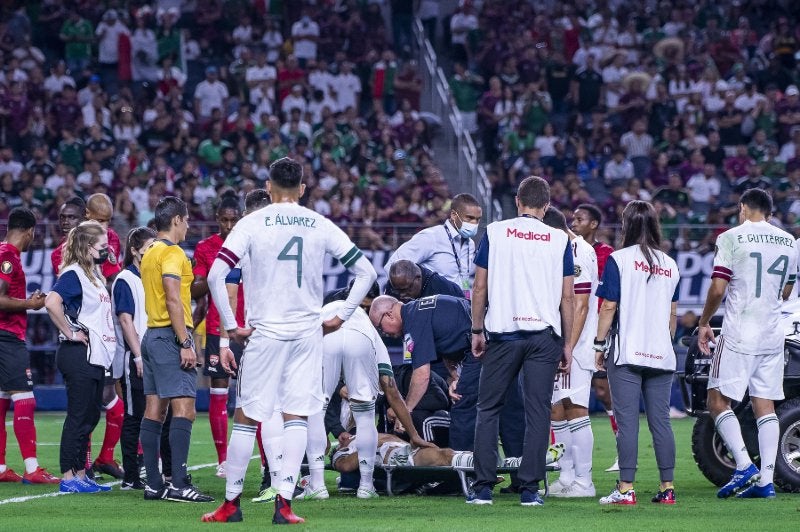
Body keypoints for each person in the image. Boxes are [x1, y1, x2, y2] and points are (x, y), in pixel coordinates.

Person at [202, 157, 377, 524]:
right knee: (296, 415)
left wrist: (231, 326)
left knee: (247, 417)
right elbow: (366, 272)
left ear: (268, 187)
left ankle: (231, 504)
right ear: (302, 188)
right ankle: (284, 504)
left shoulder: (252, 223)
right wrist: (341, 316)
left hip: (265, 332)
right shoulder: (319, 223)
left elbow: (217, 275)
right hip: (306, 335)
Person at [468, 175, 574, 507]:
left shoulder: (495, 232)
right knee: (538, 412)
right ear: (547, 206)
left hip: (503, 334)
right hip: (544, 337)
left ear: (517, 201)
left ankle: (483, 488)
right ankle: (530, 490)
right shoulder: (559, 239)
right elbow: (567, 297)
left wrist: (476, 330)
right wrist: (568, 344)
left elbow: (479, 287)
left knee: (488, 409)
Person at [698, 188, 797, 499]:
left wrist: (703, 322)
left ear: (743, 208)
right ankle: (766, 481)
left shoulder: (731, 237)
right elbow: (786, 292)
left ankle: (743, 465)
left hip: (740, 330)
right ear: (770, 212)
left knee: (717, 400)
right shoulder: (789, 241)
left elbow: (718, 288)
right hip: (772, 333)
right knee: (764, 405)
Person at [594, 200, 680, 506]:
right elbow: (673, 314)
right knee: (661, 422)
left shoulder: (618, 260)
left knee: (628, 422)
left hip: (628, 353)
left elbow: (608, 306)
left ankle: (626, 489)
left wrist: (598, 345)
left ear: (626, 225)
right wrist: (664, 341)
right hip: (661, 353)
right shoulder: (670, 264)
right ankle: (667, 488)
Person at [302, 299, 431, 501]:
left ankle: (317, 485)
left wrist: (322, 431)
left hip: (324, 334)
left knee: (317, 410)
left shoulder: (323, 313)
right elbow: (391, 390)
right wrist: (413, 434)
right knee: (365, 416)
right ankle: (366, 485)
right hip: (360, 340)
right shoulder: (369, 329)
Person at [139, 196, 213, 503]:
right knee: (185, 409)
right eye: (186, 220)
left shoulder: (149, 252)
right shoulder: (172, 252)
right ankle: (180, 484)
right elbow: (172, 297)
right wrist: (185, 342)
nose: (188, 226)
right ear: (177, 220)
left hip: (151, 335)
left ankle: (154, 484)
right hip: (170, 336)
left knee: (154, 410)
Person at [44, 221, 117, 493]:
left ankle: (81, 473)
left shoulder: (93, 275)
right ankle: (68, 476)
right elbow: (51, 301)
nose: (107, 250)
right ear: (88, 247)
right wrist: (70, 332)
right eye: (102, 246)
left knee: (90, 416)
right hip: (78, 353)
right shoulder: (73, 273)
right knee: (78, 416)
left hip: (94, 354)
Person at [542, 207, 599, 498]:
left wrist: (568, 346)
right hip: (560, 343)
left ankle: (584, 481)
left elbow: (581, 304)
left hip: (575, 346)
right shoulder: (563, 249)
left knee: (575, 407)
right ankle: (566, 476)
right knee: (557, 408)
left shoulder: (577, 251)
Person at [0, 208, 58, 484]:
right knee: (25, 398)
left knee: (2, 400)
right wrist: (30, 304)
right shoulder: (8, 256)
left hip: (4, 336)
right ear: (30, 231)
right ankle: (32, 469)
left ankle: (0, 468)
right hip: (7, 337)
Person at [191, 195, 245, 477]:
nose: (229, 225)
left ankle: (264, 461)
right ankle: (223, 459)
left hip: (250, 328)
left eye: (233, 220)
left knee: (254, 395)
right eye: (224, 220)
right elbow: (196, 291)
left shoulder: (250, 245)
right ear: (217, 220)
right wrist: (214, 275)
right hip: (217, 327)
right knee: (219, 393)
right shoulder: (205, 248)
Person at [571, 202, 619, 472]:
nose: (574, 222)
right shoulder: (568, 250)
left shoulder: (606, 254)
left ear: (594, 224)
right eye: (573, 218)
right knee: (563, 397)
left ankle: (622, 449)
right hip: (575, 328)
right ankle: (561, 456)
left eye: (580, 219)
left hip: (598, 330)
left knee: (604, 392)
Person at [83, 193, 125, 479]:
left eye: (108, 221)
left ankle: (105, 457)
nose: (105, 227)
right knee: (86, 401)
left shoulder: (111, 239)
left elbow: (113, 276)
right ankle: (83, 464)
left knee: (112, 396)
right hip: (84, 330)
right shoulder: (72, 245)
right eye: (99, 220)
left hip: (107, 328)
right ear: (87, 215)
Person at [113, 226, 156, 490]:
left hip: (154, 354)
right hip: (135, 357)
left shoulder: (151, 276)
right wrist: (138, 356)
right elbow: (126, 319)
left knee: (155, 414)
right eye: (148, 247)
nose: (152, 252)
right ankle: (130, 475)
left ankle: (154, 469)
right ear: (134, 250)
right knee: (134, 415)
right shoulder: (125, 279)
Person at [386, 193, 482, 297]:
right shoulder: (431, 237)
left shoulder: (470, 244)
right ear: (454, 215)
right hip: (431, 304)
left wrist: (466, 298)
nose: (474, 223)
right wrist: (409, 297)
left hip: (458, 303)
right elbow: (392, 266)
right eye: (469, 218)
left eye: (477, 219)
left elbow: (464, 278)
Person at [385, 260, 464, 302]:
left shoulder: (443, 289)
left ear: (418, 278)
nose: (401, 295)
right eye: (398, 290)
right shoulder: (394, 285)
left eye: (406, 289)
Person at [50, 197, 87, 275]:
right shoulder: (57, 254)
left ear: (83, 219)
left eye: (71, 217)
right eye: (62, 217)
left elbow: (112, 278)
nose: (65, 222)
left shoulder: (100, 241)